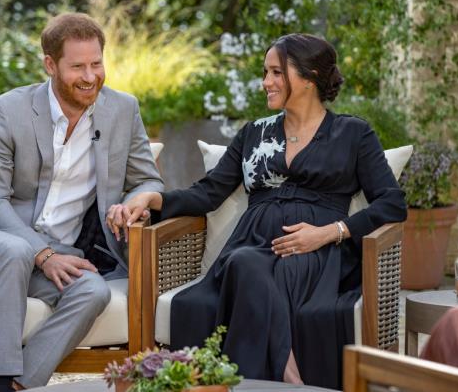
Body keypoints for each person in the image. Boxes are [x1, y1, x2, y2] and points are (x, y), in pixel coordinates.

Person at [113, 33, 407, 389]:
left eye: (276, 73)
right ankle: (289, 374)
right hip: (252, 244)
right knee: (243, 262)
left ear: (310, 76)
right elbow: (207, 193)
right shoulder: (254, 133)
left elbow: (392, 202)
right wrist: (152, 199)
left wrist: (331, 232)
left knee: (247, 265)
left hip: (316, 253)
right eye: (265, 72)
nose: (265, 82)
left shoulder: (353, 133)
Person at [0, 13, 163, 391]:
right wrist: (42, 254)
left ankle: (20, 385)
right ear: (50, 65)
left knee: (92, 291)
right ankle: (0, 379)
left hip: (57, 252)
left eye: (96, 63)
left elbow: (147, 178)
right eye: (77, 66)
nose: (90, 76)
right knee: (14, 252)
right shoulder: (6, 111)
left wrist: (133, 201)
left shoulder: (123, 110)